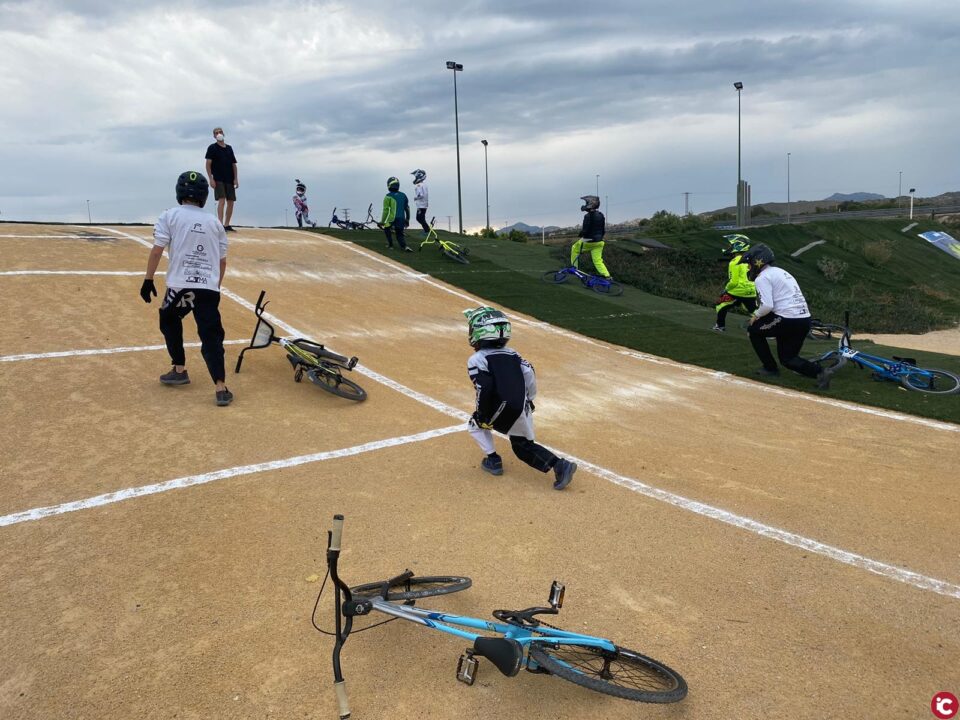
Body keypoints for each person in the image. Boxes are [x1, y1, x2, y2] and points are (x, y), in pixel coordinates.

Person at [139, 170, 233, 406]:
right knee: (211, 334)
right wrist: (215, 287)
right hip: (208, 288)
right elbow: (222, 261)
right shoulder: (215, 222)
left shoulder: (169, 216)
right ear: (203, 196)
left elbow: (157, 249)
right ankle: (221, 387)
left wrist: (148, 279)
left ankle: (179, 369)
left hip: (181, 286)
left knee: (169, 318)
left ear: (180, 193)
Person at [464, 306, 577, 490]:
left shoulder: (477, 359)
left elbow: (484, 388)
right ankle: (559, 465)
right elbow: (529, 373)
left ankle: (495, 460)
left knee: (477, 425)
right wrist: (530, 399)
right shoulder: (513, 354)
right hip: (520, 405)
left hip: (498, 407)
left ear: (480, 333)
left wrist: (482, 414)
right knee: (521, 444)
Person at [741, 244, 835, 389]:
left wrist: (755, 315)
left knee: (753, 331)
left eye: (749, 264)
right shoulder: (781, 272)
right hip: (804, 320)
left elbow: (767, 306)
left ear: (757, 262)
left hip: (786, 319)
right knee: (788, 359)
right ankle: (821, 372)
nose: (748, 268)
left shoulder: (763, 278)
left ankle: (770, 368)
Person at [713, 234, 758, 331]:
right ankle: (770, 331)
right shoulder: (751, 259)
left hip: (737, 290)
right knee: (755, 311)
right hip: (751, 291)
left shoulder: (734, 262)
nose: (729, 247)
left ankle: (720, 326)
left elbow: (734, 282)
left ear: (737, 246)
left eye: (731, 245)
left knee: (721, 305)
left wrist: (725, 289)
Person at [204, 126, 238, 231]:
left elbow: (234, 164)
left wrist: (236, 178)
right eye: (216, 132)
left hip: (229, 178)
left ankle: (227, 225)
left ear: (223, 133)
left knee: (231, 201)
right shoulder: (212, 148)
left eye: (220, 132)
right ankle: (220, 224)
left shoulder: (229, 148)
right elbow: (208, 164)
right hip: (218, 178)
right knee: (221, 200)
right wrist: (211, 178)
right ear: (214, 136)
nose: (219, 134)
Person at [571, 195, 609, 278]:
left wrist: (580, 234)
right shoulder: (601, 215)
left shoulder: (587, 216)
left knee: (574, 248)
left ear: (590, 204)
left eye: (586, 202)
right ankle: (607, 275)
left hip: (589, 240)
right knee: (598, 260)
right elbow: (602, 229)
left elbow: (585, 230)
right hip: (600, 241)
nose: (585, 204)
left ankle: (574, 269)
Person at [380, 176, 412, 251]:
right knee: (399, 234)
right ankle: (404, 246)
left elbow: (386, 210)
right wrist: (407, 219)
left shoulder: (388, 196)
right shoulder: (403, 195)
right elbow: (407, 208)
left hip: (392, 218)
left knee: (387, 228)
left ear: (389, 185)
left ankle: (390, 245)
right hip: (401, 218)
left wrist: (383, 221)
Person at [411, 168, 430, 234]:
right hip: (424, 204)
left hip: (421, 205)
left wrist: (416, 198)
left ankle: (427, 230)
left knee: (419, 218)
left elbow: (420, 195)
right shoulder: (424, 185)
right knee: (421, 218)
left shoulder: (419, 185)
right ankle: (426, 230)